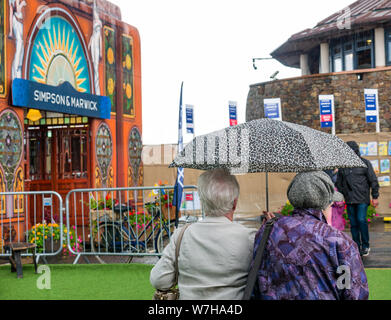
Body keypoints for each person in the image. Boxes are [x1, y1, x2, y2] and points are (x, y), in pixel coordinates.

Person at [253, 171, 369, 300]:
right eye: (331, 205)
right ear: (326, 204)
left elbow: (256, 280)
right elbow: (356, 293)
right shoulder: (339, 240)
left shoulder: (268, 231)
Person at [150, 169, 256, 300]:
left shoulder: (182, 235)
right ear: (234, 203)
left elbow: (159, 279)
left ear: (202, 201)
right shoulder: (250, 237)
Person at [336, 141, 379, 257]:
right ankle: (356, 245)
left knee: (361, 220)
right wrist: (342, 194)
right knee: (353, 223)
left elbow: (373, 180)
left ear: (355, 151)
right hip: (349, 199)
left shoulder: (365, 163)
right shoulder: (343, 166)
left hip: (362, 199)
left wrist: (375, 197)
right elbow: (338, 182)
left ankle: (365, 245)